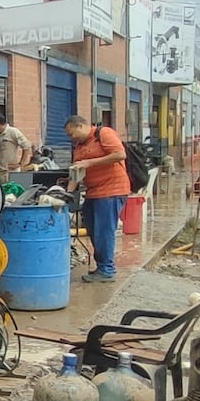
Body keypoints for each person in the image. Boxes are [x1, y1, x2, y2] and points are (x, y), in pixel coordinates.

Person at [64, 115, 128, 283]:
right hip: (93, 192)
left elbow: (120, 154)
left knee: (104, 231)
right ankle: (101, 266)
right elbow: (76, 173)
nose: (71, 138)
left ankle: (107, 269)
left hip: (111, 190)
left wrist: (89, 163)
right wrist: (66, 194)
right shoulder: (79, 146)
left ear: (80, 126)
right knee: (93, 230)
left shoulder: (103, 133)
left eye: (72, 134)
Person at [0, 114, 32, 185]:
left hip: (9, 171)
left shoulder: (13, 132)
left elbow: (26, 147)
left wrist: (21, 164)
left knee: (10, 193)